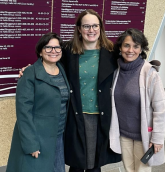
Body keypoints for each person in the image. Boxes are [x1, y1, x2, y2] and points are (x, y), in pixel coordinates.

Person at [19, 9, 121, 172]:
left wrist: (150, 67)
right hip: (75, 115)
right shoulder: (68, 51)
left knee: (95, 163)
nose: (91, 30)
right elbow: (49, 60)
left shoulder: (112, 53)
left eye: (95, 25)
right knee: (77, 162)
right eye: (86, 26)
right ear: (79, 29)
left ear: (101, 28)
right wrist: (30, 69)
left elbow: (131, 64)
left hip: (100, 116)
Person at [6, 33, 70, 172]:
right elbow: (23, 112)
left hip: (57, 137)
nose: (53, 51)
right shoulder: (30, 73)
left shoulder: (62, 70)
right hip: (37, 138)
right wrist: (30, 144)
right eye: (48, 48)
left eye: (57, 48)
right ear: (40, 51)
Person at [109, 28, 165, 172]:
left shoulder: (150, 73)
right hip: (124, 134)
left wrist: (157, 138)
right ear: (120, 47)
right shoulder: (116, 71)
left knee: (142, 170)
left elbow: (161, 108)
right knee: (129, 169)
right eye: (127, 45)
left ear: (141, 49)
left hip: (144, 135)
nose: (131, 50)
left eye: (136, 46)